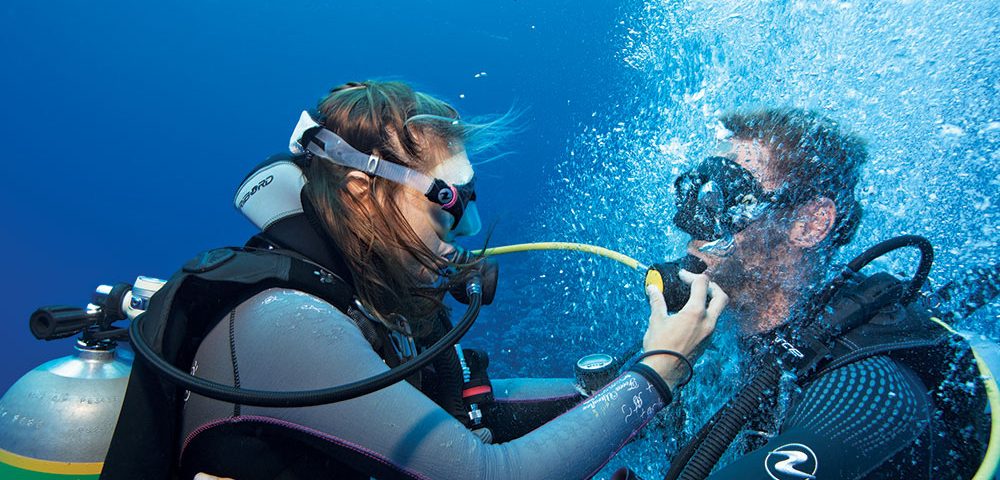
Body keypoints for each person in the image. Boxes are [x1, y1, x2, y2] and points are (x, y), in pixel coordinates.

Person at [100, 81, 728, 480]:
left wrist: (614, 387)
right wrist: (656, 374)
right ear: (359, 191)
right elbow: (483, 476)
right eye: (446, 204)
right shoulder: (285, 321)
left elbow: (461, 409)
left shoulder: (367, 302)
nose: (464, 229)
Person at [656, 108, 990, 479]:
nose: (691, 221)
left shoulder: (867, 393)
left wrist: (649, 379)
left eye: (726, 195)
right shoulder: (717, 350)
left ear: (810, 224)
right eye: (695, 193)